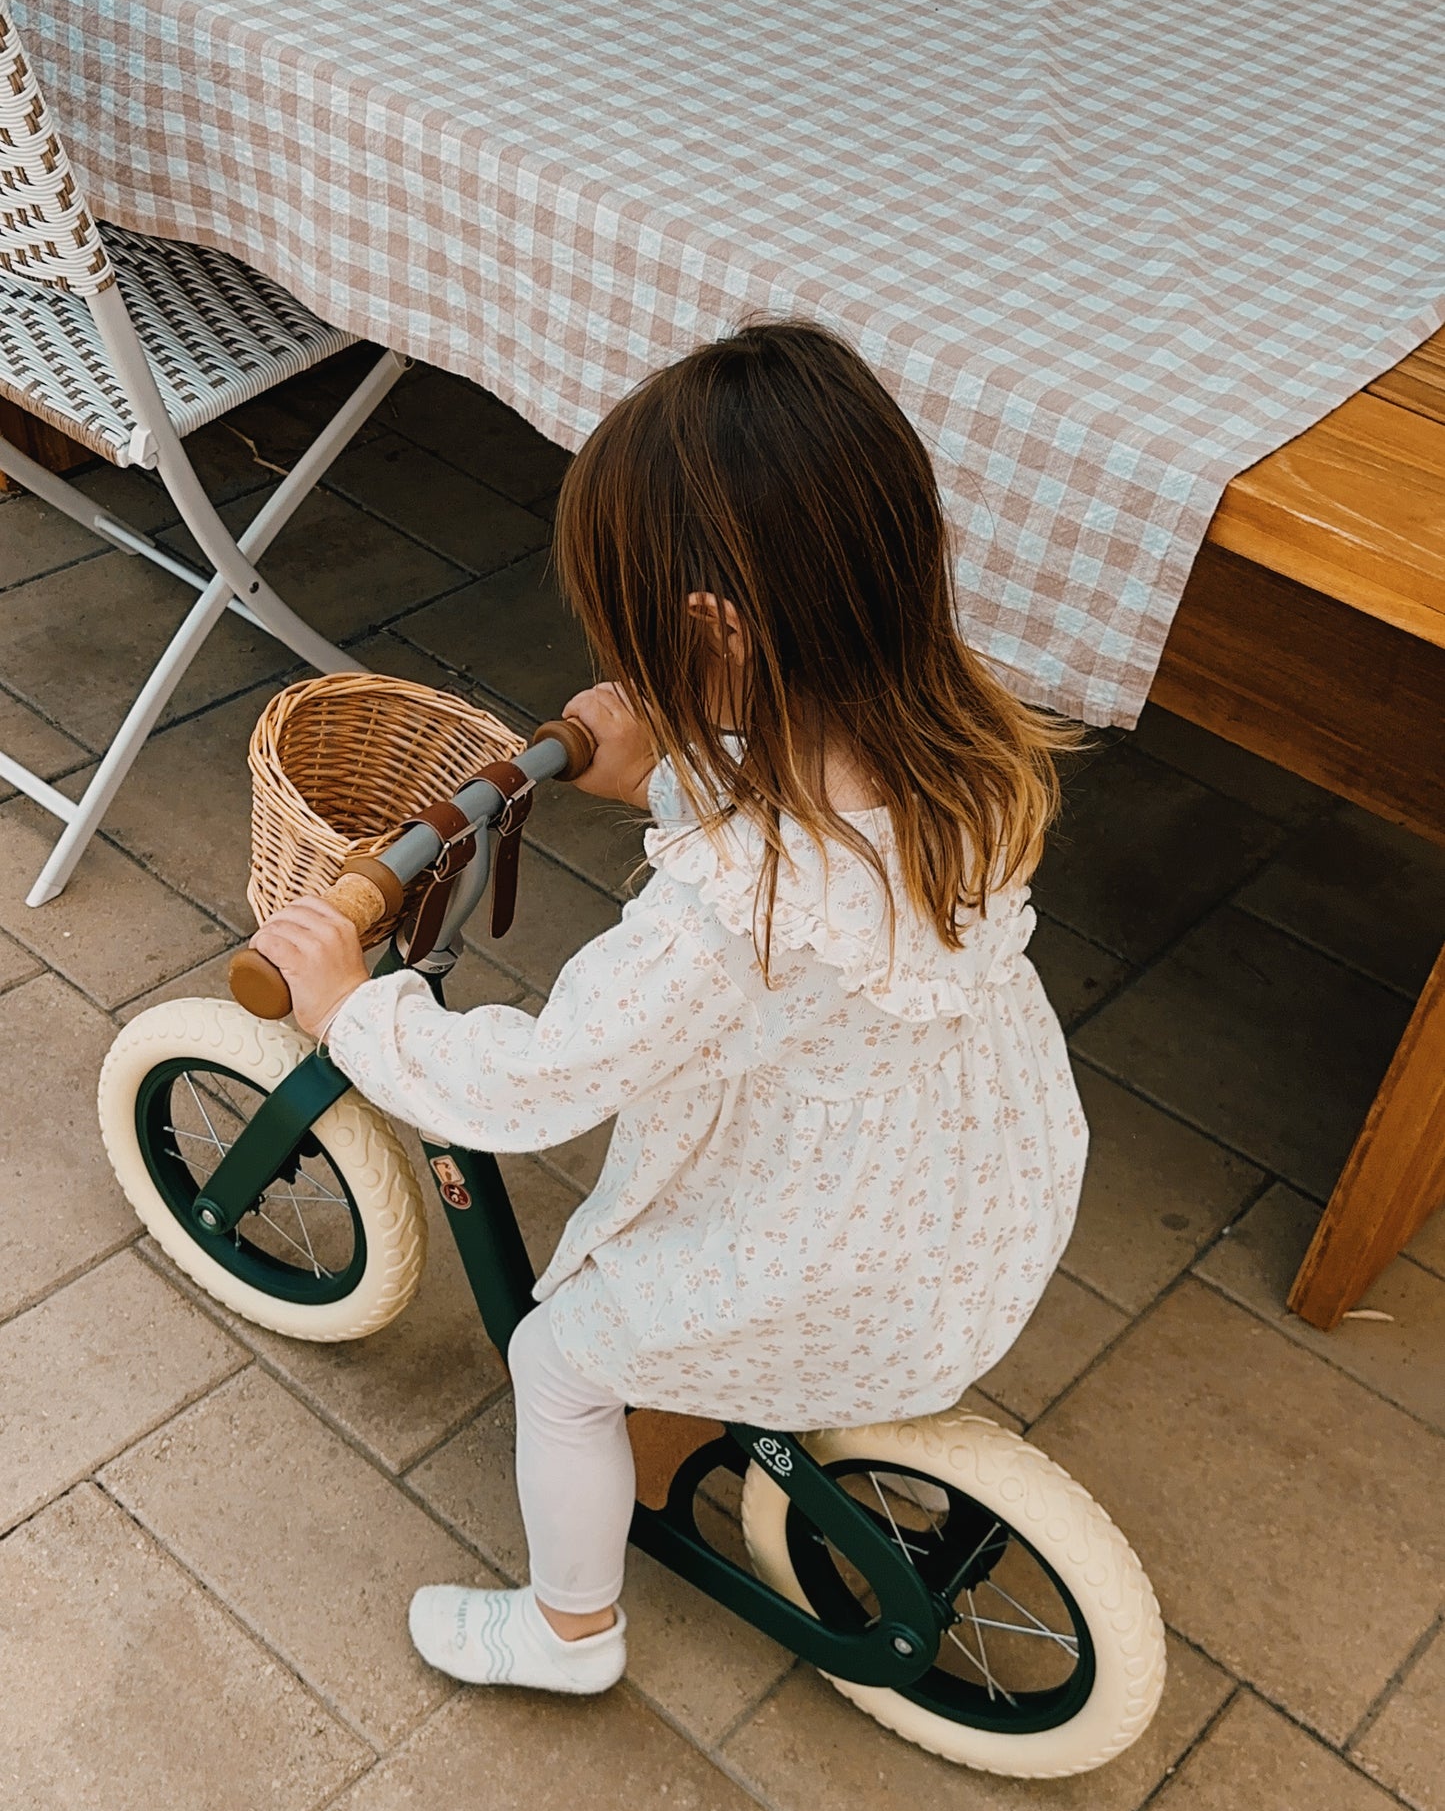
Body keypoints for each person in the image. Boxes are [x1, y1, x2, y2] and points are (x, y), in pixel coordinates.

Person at [249, 321, 1088, 1699]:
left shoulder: (729, 910)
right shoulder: (963, 743)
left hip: (836, 1252)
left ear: (713, 634)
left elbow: (534, 1087)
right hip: (981, 1192)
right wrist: (668, 774)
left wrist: (355, 1010)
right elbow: (815, 838)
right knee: (655, 1300)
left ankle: (567, 1628)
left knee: (559, 1357)